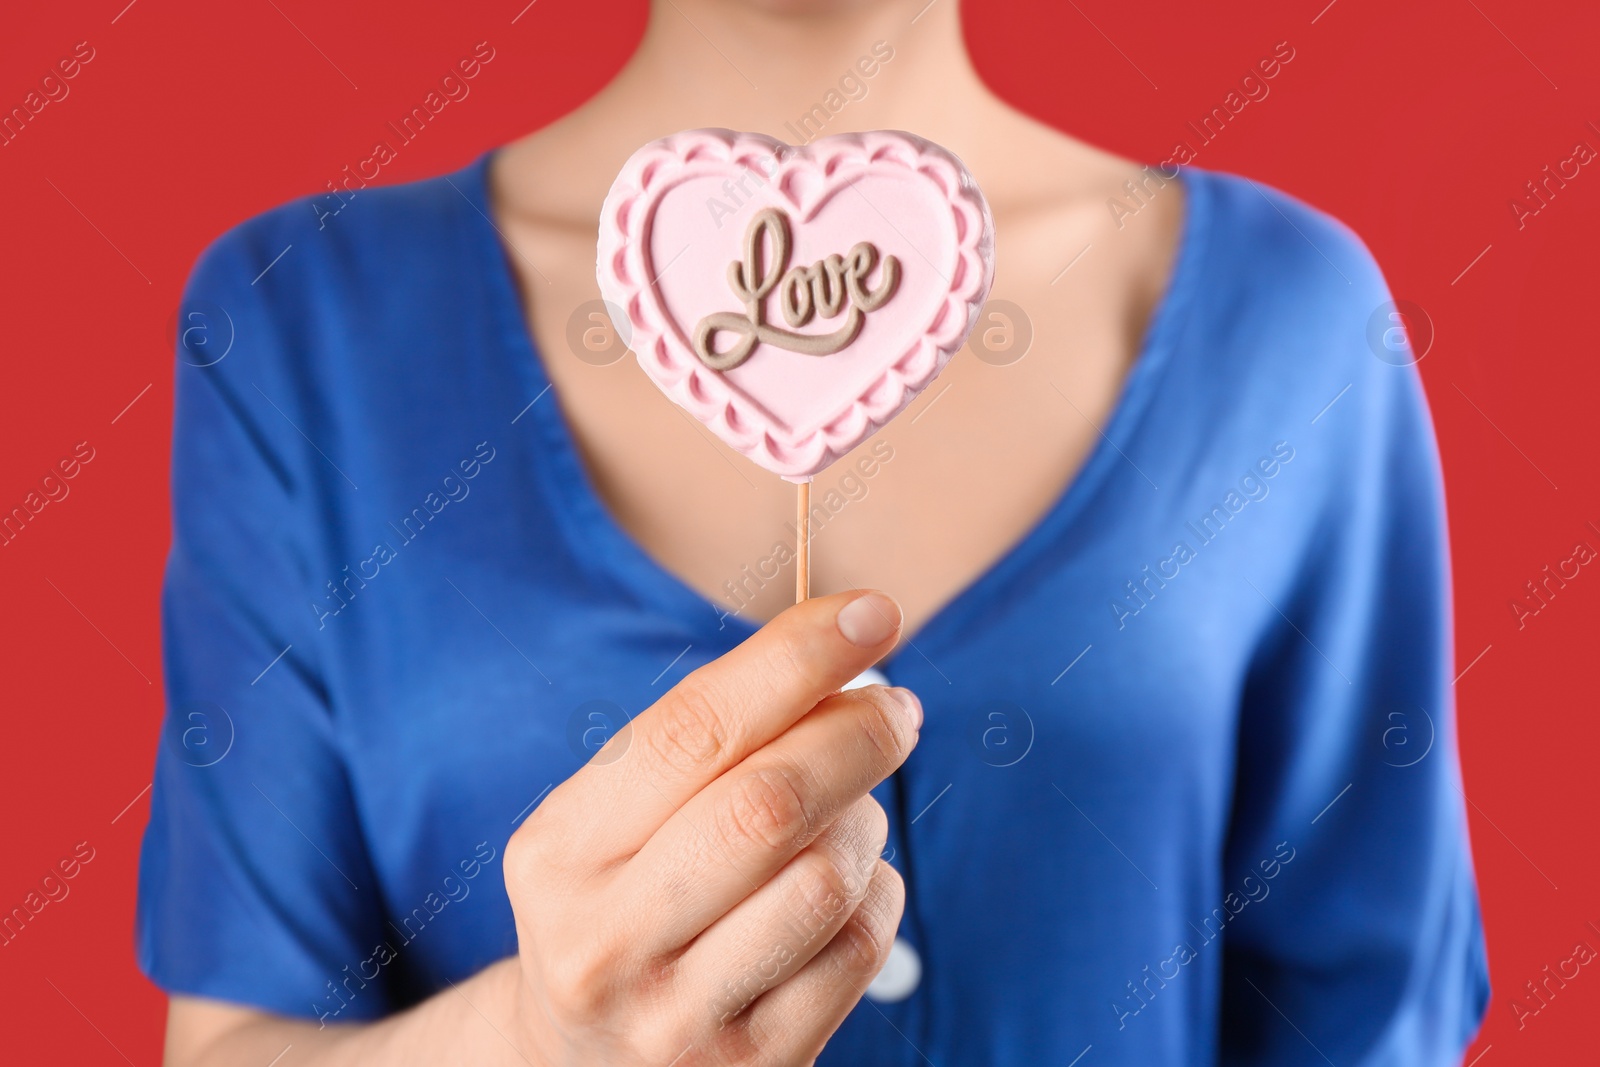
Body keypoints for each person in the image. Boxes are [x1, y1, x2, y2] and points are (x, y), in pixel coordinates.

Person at [138, 1, 1490, 1063]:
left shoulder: (1291, 318)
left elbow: (1373, 1021)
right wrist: (538, 1048)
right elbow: (240, 1039)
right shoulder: (305, 326)